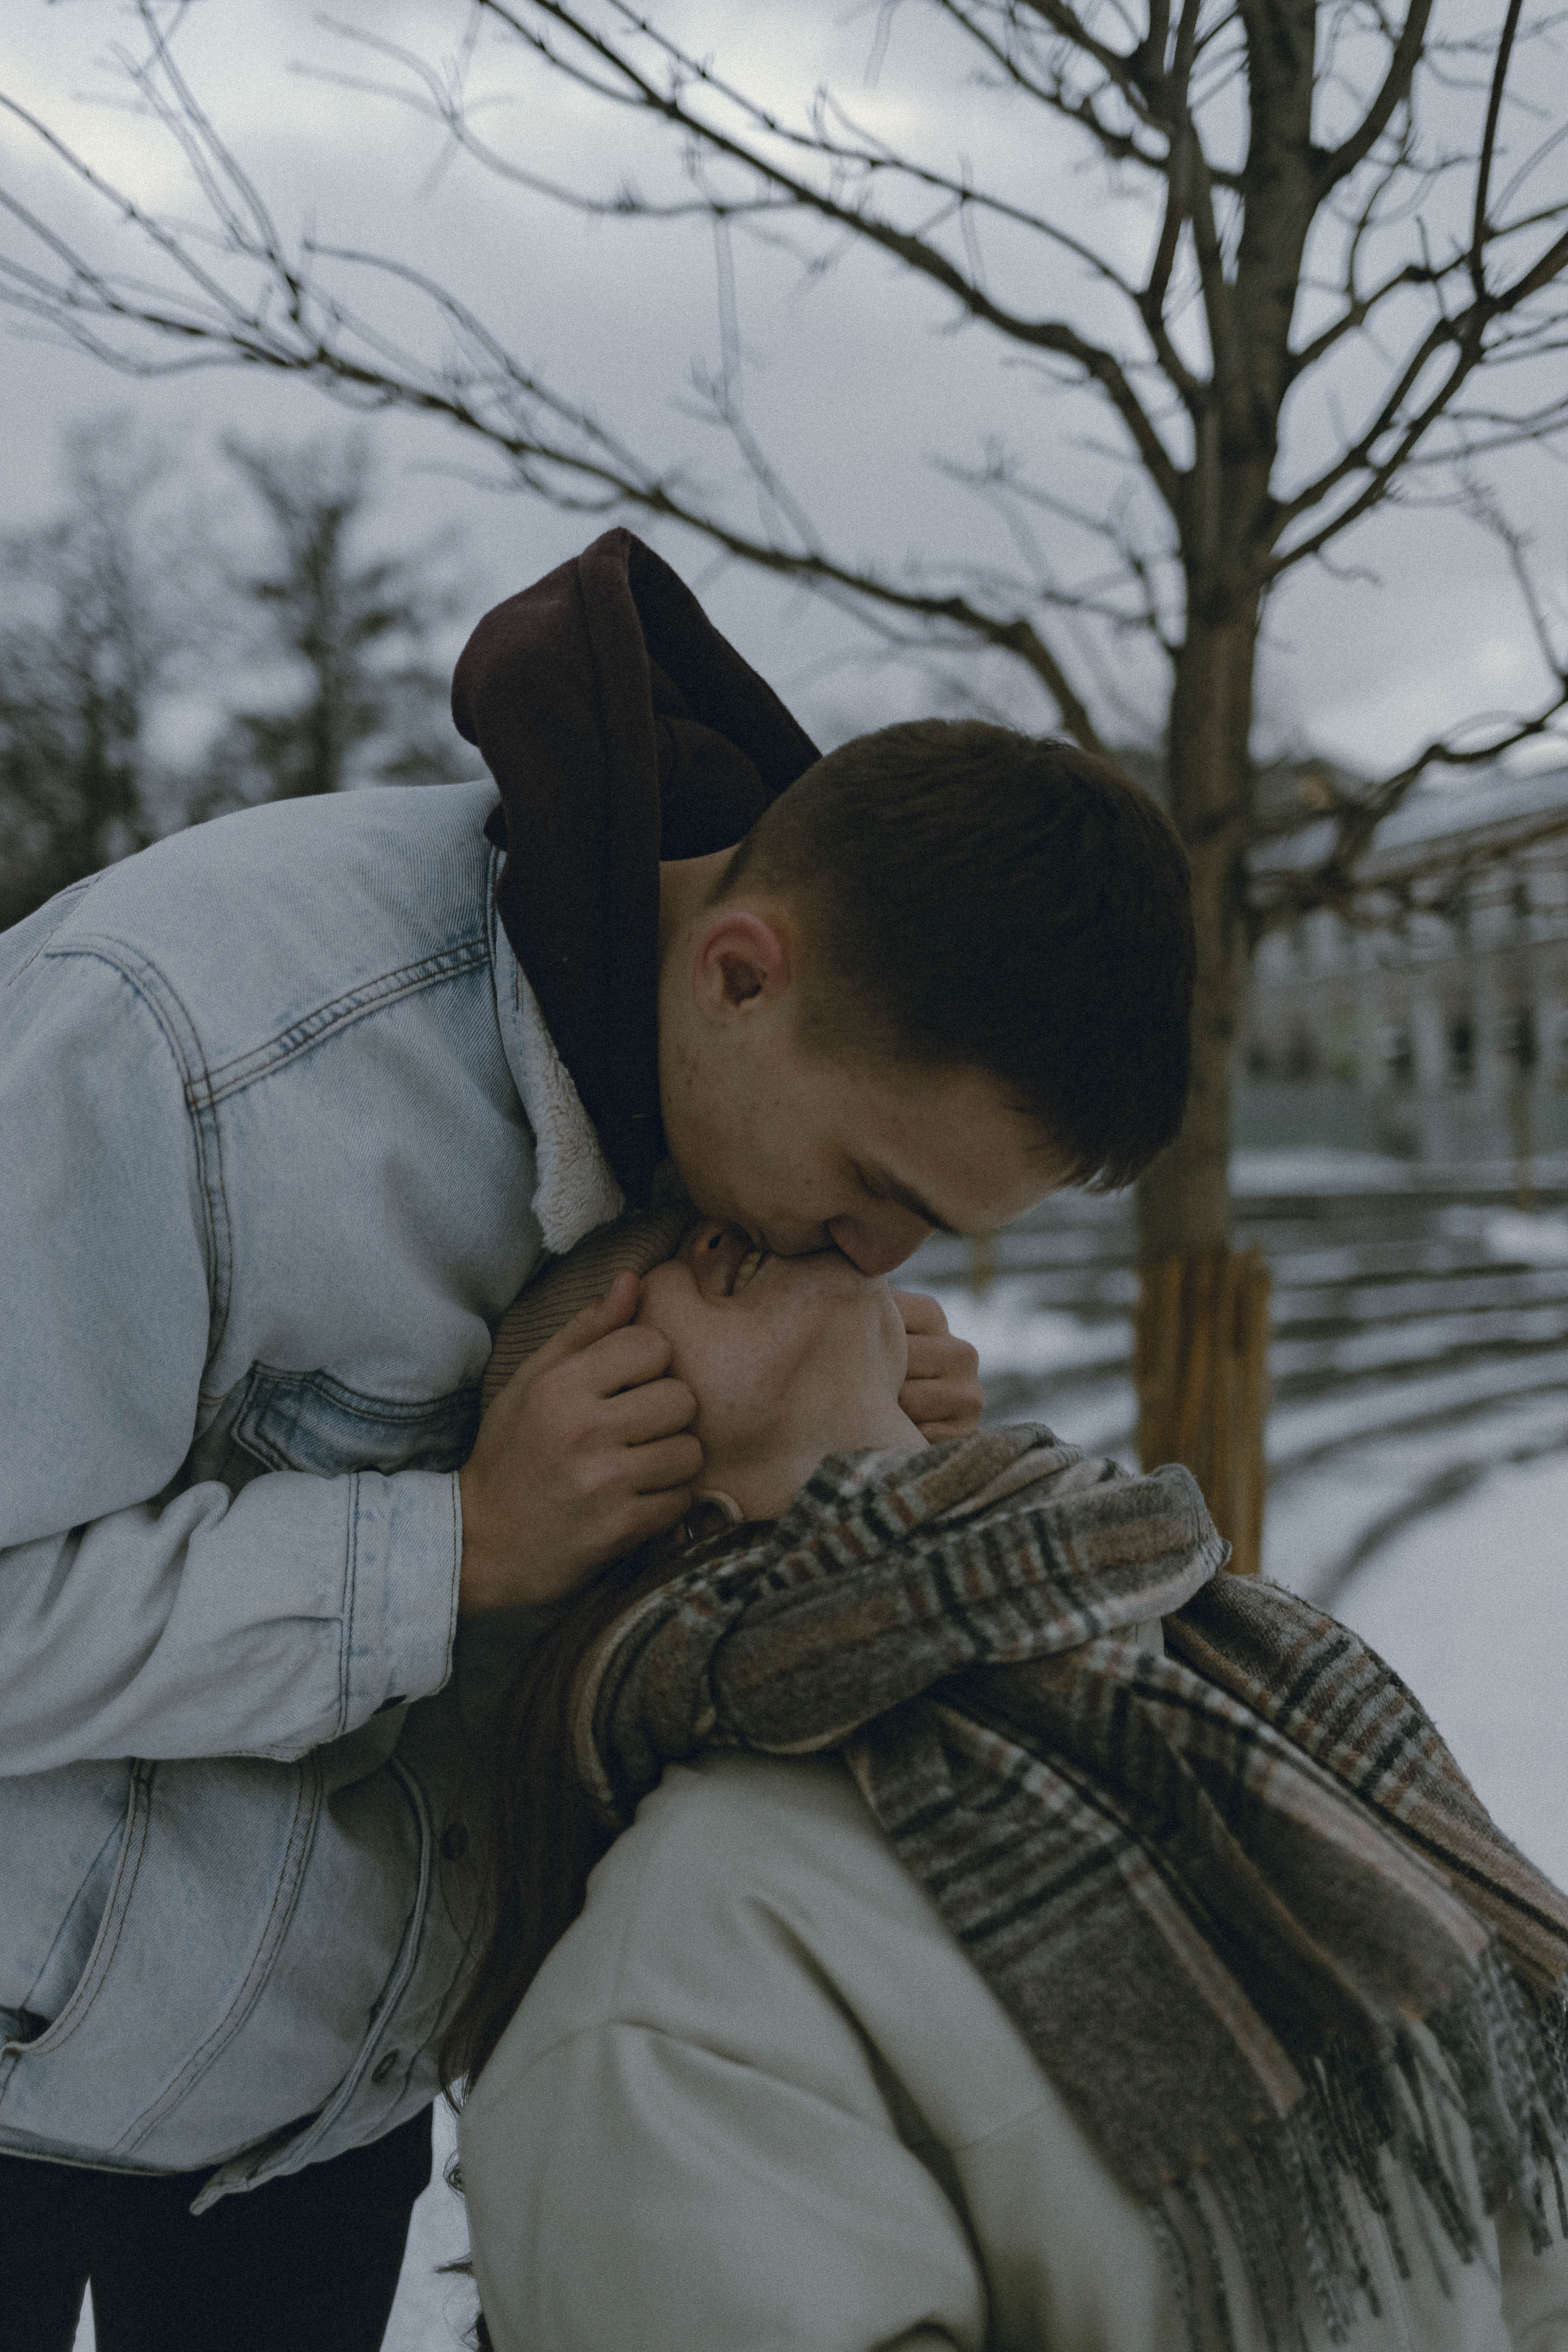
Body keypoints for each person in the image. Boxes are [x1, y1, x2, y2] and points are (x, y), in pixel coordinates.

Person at [0, 527, 1196, 2350]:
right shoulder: (176, 1044)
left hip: (325, 2110)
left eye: (931, 1239)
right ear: (735, 972)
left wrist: (843, 1431)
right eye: (874, 1196)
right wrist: (450, 1551)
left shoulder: (739, 1103)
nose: (871, 1265)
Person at [453, 1216, 1568, 2352]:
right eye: (614, 1320)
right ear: (644, 1517)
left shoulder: (1203, 1684)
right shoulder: (661, 1989)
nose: (733, 1230)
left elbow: (1518, 2228)